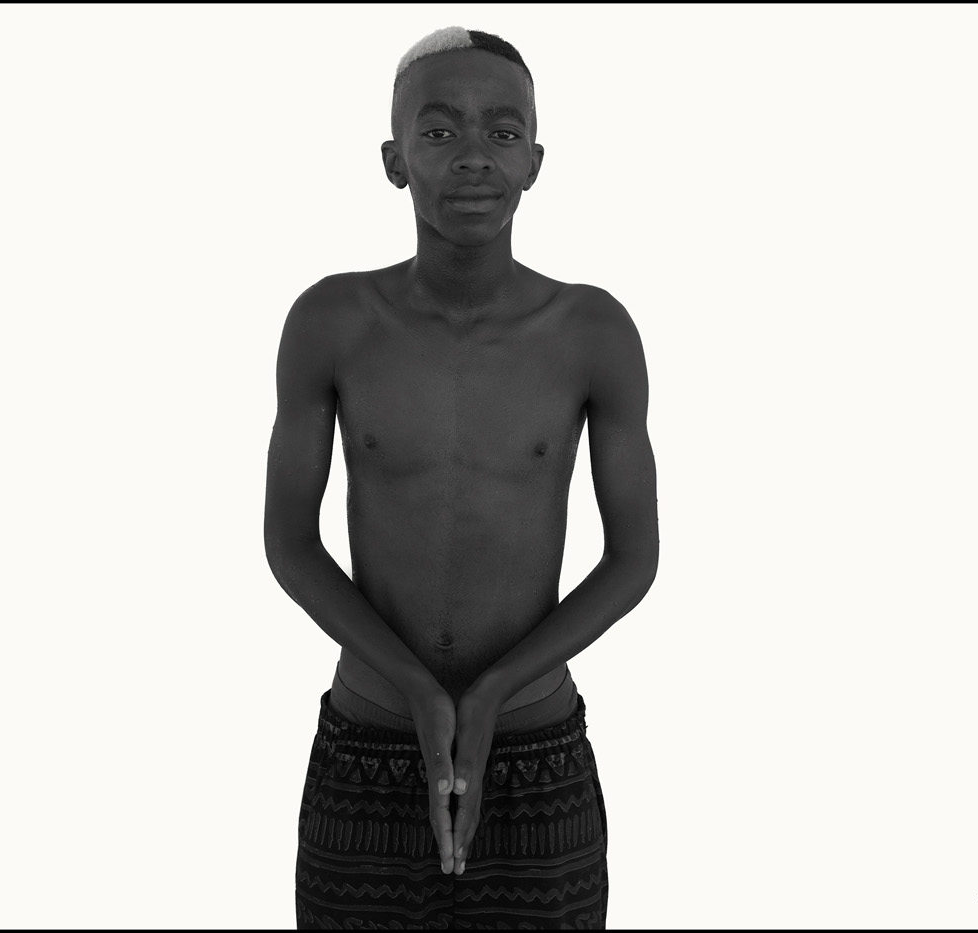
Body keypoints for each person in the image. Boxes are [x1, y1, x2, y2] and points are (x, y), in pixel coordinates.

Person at [265, 25, 658, 929]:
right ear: (393, 160)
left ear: (536, 162)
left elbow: (635, 555)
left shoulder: (593, 332)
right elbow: (288, 539)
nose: (474, 156)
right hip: (368, 746)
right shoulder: (330, 320)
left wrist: (492, 693)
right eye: (439, 132)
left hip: (536, 755)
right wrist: (413, 685)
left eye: (503, 132)